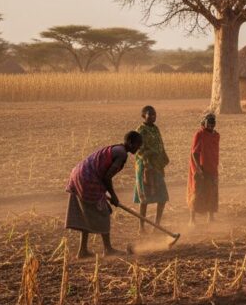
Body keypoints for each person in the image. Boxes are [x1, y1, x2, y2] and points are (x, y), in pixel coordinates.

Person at [65, 131, 143, 258]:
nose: (138, 148)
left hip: (78, 175)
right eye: (138, 145)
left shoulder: (117, 149)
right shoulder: (122, 154)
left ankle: (82, 251)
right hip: (88, 178)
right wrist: (113, 196)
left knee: (87, 213)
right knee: (104, 212)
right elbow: (107, 177)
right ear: (130, 143)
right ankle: (108, 249)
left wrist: (111, 194)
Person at [133, 105, 169, 234]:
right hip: (146, 167)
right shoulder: (140, 130)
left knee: (163, 198)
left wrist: (163, 159)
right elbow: (138, 150)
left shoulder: (155, 129)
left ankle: (156, 226)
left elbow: (160, 145)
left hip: (157, 166)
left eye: (154, 114)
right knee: (145, 199)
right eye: (150, 114)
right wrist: (148, 163)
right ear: (144, 116)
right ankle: (141, 227)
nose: (153, 116)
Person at [188, 114, 220, 224]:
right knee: (197, 193)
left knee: (212, 192)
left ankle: (210, 217)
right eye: (209, 122)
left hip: (212, 167)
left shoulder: (216, 135)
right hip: (200, 168)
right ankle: (192, 219)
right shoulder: (200, 134)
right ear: (204, 122)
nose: (211, 124)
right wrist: (198, 168)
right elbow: (194, 153)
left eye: (213, 122)